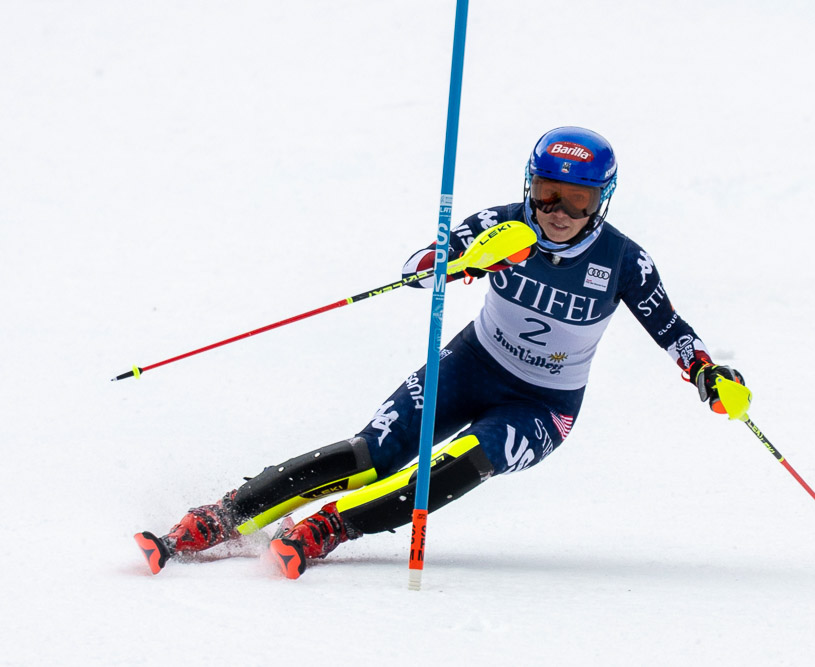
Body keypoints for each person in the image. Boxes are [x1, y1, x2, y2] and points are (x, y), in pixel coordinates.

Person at [134, 126, 746, 579]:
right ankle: (224, 515)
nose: (556, 212)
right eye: (546, 193)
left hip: (544, 405)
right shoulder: (504, 225)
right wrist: (461, 260)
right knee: (373, 452)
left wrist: (709, 375)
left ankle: (329, 528)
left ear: (602, 201)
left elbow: (673, 329)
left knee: (461, 459)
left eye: (577, 201)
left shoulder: (622, 260)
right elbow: (412, 270)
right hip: (472, 364)